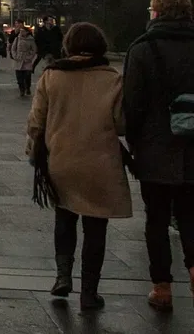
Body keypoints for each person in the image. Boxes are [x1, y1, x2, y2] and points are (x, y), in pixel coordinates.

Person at [26, 21, 131, 311]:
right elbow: (121, 124)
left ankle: (62, 276)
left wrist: (34, 152)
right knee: (96, 226)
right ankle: (89, 291)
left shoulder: (52, 76)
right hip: (100, 161)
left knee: (65, 216)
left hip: (62, 159)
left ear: (68, 45)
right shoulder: (112, 79)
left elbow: (37, 120)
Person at [122, 0, 194, 312]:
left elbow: (132, 104)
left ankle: (162, 286)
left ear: (155, 12)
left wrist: (135, 142)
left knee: (157, 220)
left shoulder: (142, 49)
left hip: (155, 147)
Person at [10, 23, 38, 98]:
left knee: (27, 75)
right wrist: (15, 56)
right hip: (18, 59)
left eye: (23, 31)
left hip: (27, 60)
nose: (21, 33)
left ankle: (27, 87)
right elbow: (13, 48)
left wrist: (29, 57)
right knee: (19, 77)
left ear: (27, 32)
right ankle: (21, 89)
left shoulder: (31, 39)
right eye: (20, 31)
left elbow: (34, 49)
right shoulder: (17, 39)